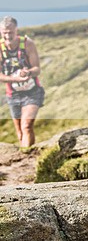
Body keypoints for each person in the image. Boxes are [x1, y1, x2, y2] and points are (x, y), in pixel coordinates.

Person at [0, 16, 44, 148]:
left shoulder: (27, 43)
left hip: (32, 92)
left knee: (27, 126)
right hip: (13, 95)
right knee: (19, 132)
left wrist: (28, 73)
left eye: (10, 32)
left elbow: (37, 69)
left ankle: (27, 154)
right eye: (4, 33)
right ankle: (26, 159)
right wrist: (16, 79)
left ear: (16, 30)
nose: (7, 36)